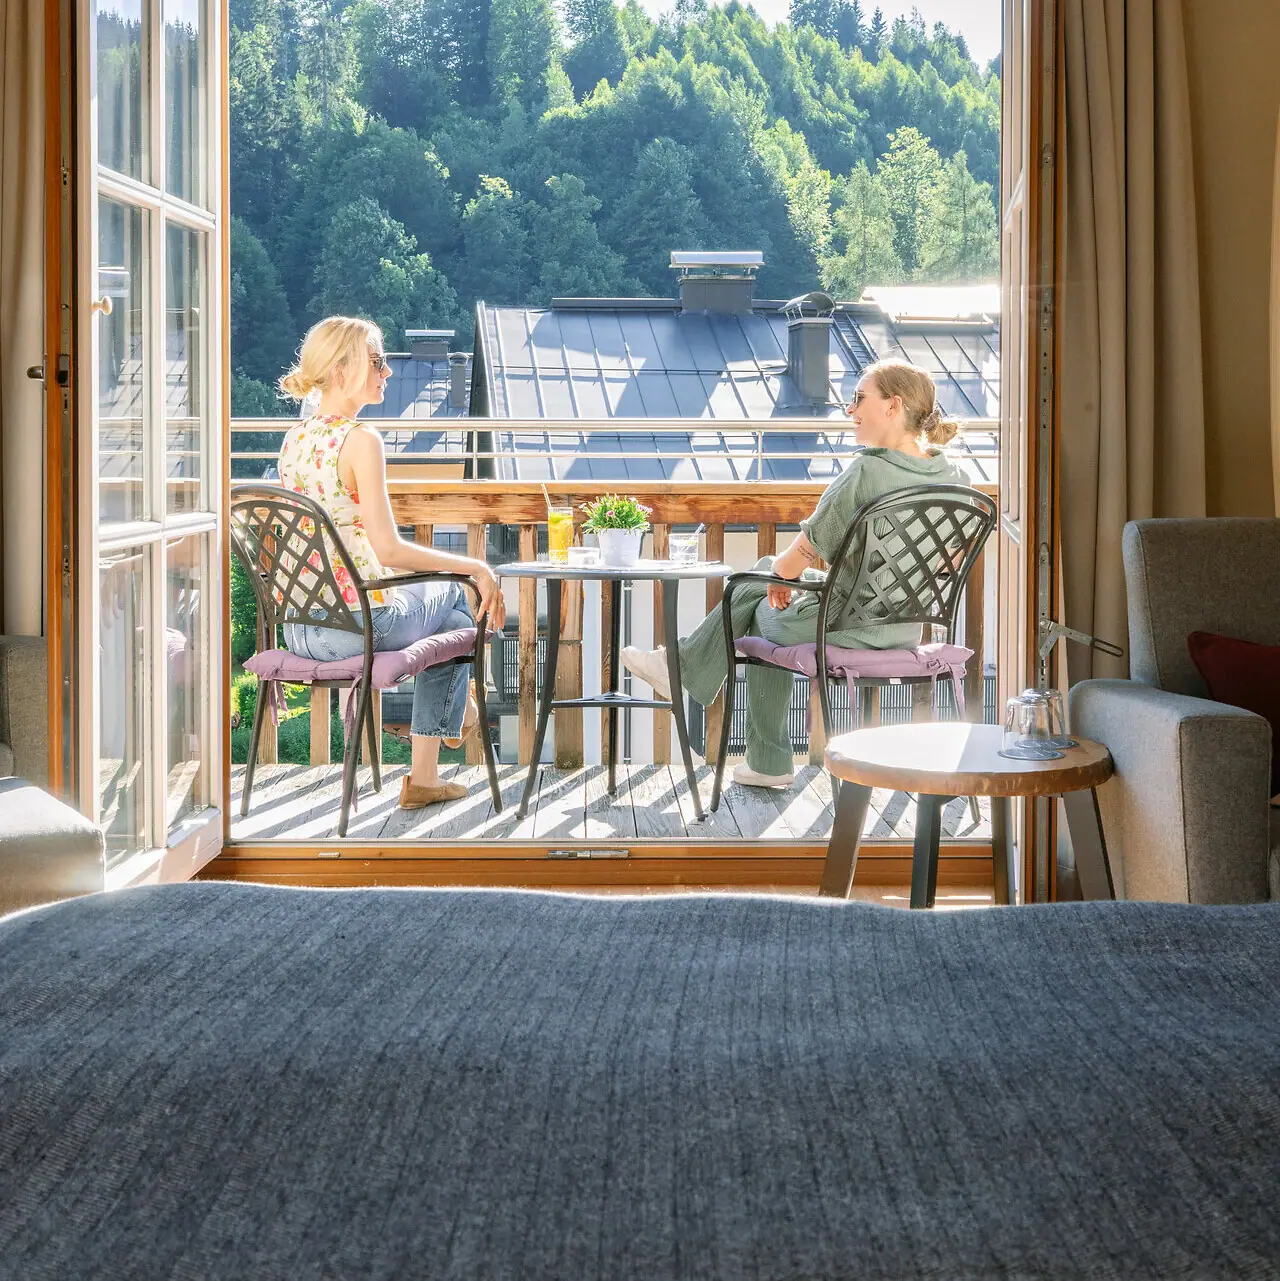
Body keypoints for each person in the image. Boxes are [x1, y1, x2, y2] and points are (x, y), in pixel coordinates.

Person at [622, 359, 967, 790]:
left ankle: (700, 688)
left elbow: (792, 563)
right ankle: (688, 676)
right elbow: (948, 562)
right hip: (905, 629)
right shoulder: (956, 476)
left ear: (893, 406)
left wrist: (779, 577)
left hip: (842, 626)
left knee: (758, 592)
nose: (850, 410)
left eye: (859, 398)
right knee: (765, 580)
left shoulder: (865, 471)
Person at [276, 316, 505, 810]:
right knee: (455, 592)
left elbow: (347, 547)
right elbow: (388, 549)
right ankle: (447, 732)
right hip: (355, 628)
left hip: (298, 627)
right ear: (342, 370)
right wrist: (476, 568)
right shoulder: (361, 440)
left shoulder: (295, 439)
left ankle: (433, 762)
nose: (388, 372)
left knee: (450, 614)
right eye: (378, 361)